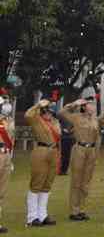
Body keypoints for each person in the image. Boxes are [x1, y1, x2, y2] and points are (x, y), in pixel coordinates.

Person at [59, 95, 100, 221]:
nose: (92, 106)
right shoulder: (76, 117)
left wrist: (96, 154)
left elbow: (97, 138)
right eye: (89, 104)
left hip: (91, 151)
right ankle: (74, 211)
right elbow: (61, 113)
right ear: (84, 106)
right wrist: (74, 104)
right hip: (79, 149)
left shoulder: (94, 120)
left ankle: (82, 209)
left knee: (86, 182)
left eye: (93, 104)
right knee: (76, 181)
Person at [24, 96, 61, 227]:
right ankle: (32, 217)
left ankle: (42, 215)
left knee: (47, 184)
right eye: (46, 111)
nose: (49, 114)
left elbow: (58, 137)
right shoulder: (36, 120)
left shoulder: (55, 122)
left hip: (54, 152)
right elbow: (28, 114)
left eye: (50, 112)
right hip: (41, 151)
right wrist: (38, 105)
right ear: (42, 112)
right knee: (37, 183)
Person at [0, 88, 15, 233]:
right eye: (4, 101)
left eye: (8, 101)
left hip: (6, 155)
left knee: (1, 191)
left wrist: (11, 159)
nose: (7, 104)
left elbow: (12, 140)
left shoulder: (9, 120)